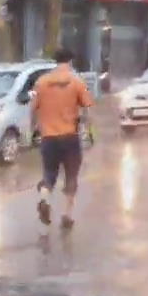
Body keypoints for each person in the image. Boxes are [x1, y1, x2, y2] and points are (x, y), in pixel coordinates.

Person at [31, 47, 94, 230]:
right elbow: (87, 108)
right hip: (70, 137)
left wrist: (32, 128)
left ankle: (44, 198)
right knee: (71, 176)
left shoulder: (41, 82)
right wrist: (90, 131)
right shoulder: (77, 82)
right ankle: (67, 216)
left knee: (49, 174)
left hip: (48, 137)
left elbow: (32, 107)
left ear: (55, 61)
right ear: (70, 61)